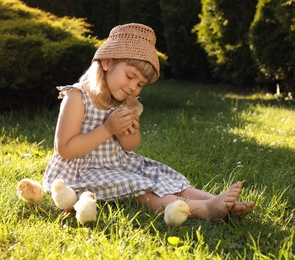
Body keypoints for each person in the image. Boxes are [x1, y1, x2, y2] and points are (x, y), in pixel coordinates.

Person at [43, 23, 254, 221]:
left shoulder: (123, 100)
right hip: (80, 173)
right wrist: (108, 129)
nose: (134, 87)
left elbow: (130, 146)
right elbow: (65, 149)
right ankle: (206, 210)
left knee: (161, 177)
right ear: (107, 62)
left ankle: (217, 201)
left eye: (141, 84)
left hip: (118, 164)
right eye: (130, 76)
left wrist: (128, 131)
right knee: (141, 189)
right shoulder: (77, 97)